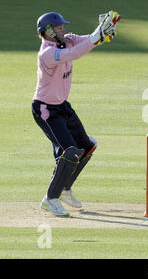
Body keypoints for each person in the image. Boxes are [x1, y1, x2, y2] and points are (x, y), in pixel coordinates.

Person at [32, 11, 121, 216]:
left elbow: (87, 41)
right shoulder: (47, 53)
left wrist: (103, 34)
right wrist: (97, 36)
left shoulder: (67, 40)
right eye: (59, 28)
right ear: (48, 32)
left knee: (88, 146)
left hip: (62, 106)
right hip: (45, 110)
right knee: (70, 151)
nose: (63, 30)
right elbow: (76, 53)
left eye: (63, 27)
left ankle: (65, 189)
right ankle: (50, 199)